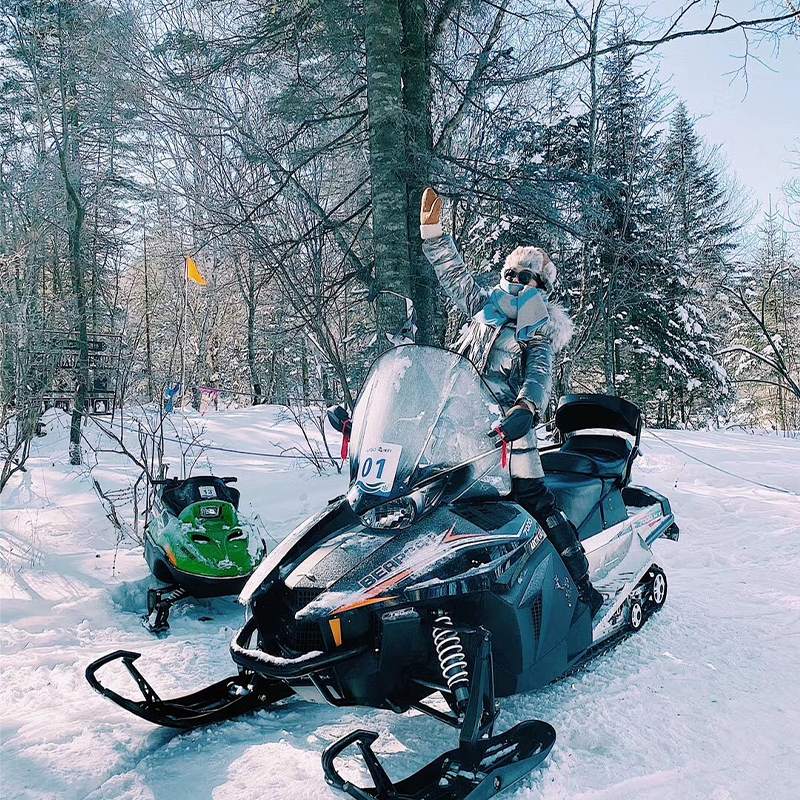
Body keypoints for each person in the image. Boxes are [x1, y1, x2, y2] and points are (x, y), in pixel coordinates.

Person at [419, 188, 604, 618]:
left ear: (541, 285)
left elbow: (539, 373)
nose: (516, 282)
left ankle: (583, 586)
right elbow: (453, 275)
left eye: (526, 277)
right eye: (510, 273)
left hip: (508, 434)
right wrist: (434, 236)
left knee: (534, 503)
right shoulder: (485, 310)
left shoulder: (538, 329)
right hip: (460, 430)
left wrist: (526, 408)